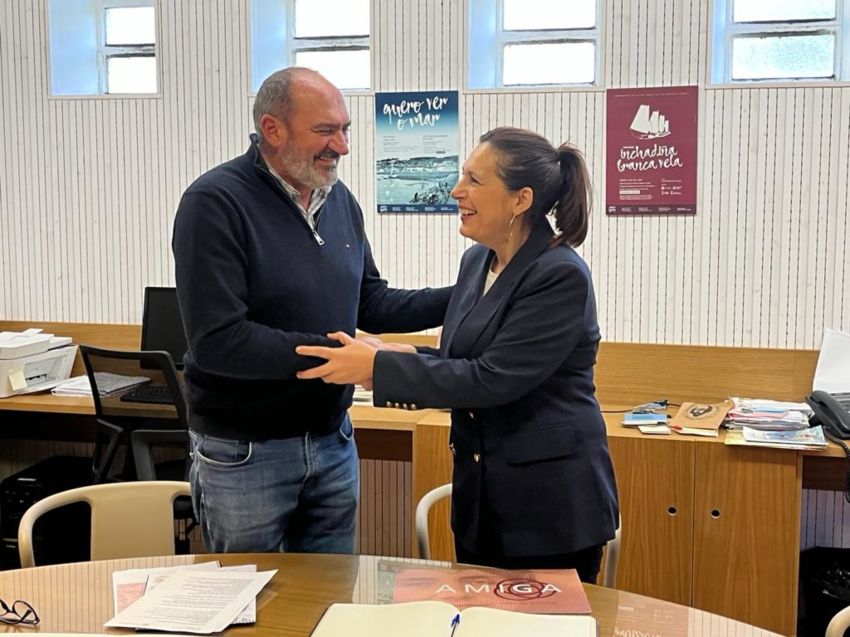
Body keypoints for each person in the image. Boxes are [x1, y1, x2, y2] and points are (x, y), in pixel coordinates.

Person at [296, 127, 619, 582]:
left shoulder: (559, 274)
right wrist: (393, 353)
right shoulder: (477, 262)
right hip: (482, 500)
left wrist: (381, 367)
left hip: (549, 509)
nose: (456, 190)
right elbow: (459, 358)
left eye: (474, 180)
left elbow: (491, 379)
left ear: (520, 200)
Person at [171, 67, 453, 555]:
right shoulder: (215, 203)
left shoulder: (339, 200)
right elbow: (219, 342)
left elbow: (370, 301)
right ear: (272, 129)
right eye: (325, 131)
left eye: (344, 129)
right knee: (249, 609)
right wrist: (343, 356)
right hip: (245, 453)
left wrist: (470, 291)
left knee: (328, 602)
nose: (341, 146)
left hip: (332, 442)